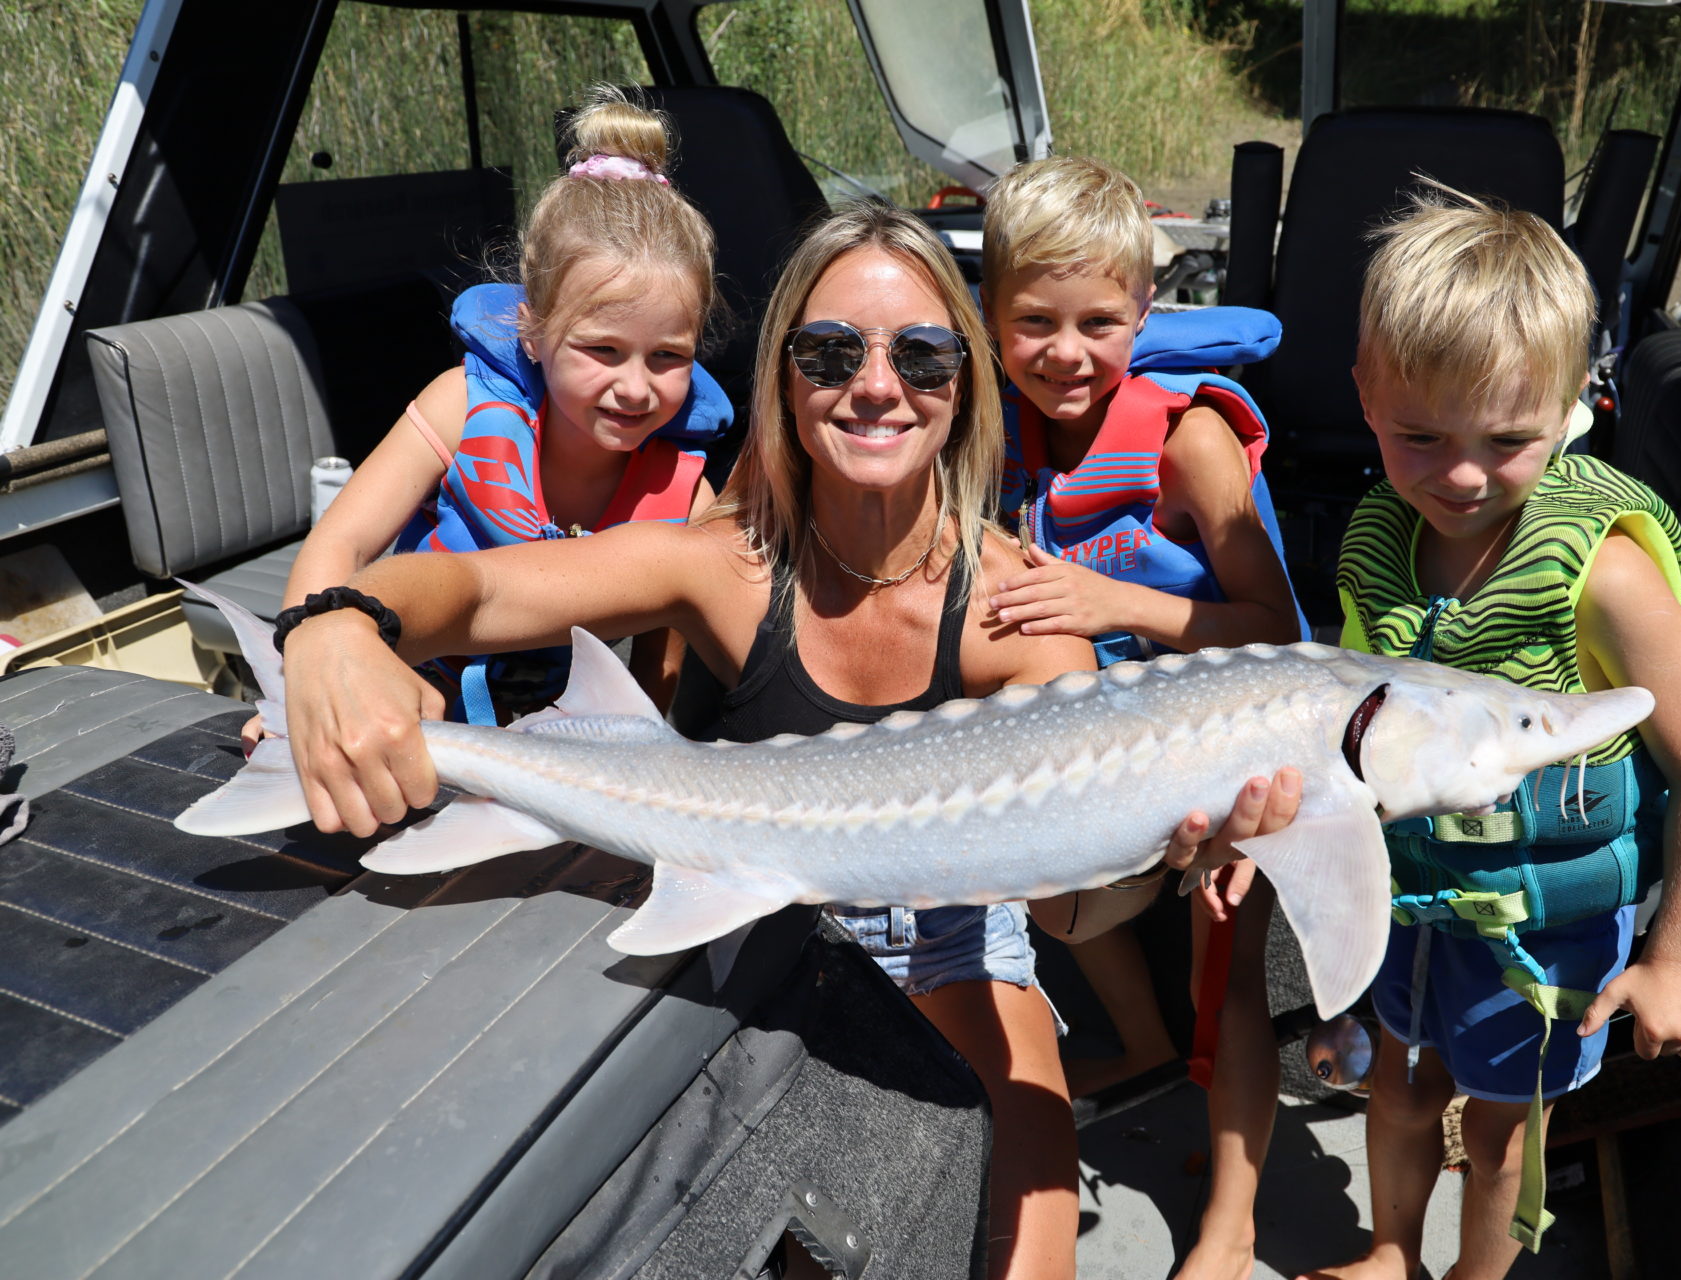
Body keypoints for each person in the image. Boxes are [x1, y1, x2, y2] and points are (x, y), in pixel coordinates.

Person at [270, 199, 1299, 1280]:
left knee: (1026, 1251)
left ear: (966, 379)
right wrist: (344, 618)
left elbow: (1068, 906)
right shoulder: (726, 561)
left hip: (941, 940)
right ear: (783, 377)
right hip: (732, 923)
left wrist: (1165, 856)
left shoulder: (1013, 611)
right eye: (829, 350)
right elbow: (474, 587)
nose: (875, 383)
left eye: (922, 354)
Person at [1304, 183, 1681, 1280]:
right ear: (1363, 391)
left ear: (1575, 404)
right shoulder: (1373, 539)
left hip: (1540, 935)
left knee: (1501, 1129)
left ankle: (1476, 1273)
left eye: (1507, 440)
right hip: (1407, 897)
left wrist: (1680, 956)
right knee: (1397, 1088)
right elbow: (1349, 724)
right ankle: (1389, 1251)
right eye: (1419, 435)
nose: (1459, 474)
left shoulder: (1607, 574)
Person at [980, 154, 1306, 1280]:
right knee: (1051, 866)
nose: (1065, 353)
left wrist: (1114, 600)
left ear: (1143, 315)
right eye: (1033, 322)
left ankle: (1234, 1221)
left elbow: (1274, 628)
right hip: (1100, 753)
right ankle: (1141, 1039)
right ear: (990, 316)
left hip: (1227, 747)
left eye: (1097, 323)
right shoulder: (998, 435)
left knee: (1232, 963)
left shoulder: (1185, 440)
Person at [249, 86, 728, 739]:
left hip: (553, 745)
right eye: (603, 350)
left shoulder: (687, 497)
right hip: (404, 702)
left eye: (669, 357)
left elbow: (653, 675)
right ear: (531, 330)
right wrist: (304, 686)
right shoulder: (461, 405)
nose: (636, 387)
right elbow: (344, 541)